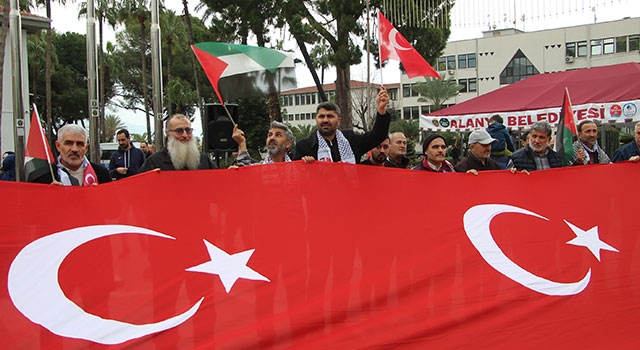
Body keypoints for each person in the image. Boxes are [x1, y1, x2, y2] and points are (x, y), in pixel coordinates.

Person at [293, 87, 391, 163]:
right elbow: (297, 176)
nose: (325, 120)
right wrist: (306, 165)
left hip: (349, 189)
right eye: (321, 116)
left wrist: (381, 110)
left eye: (330, 116)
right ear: (316, 119)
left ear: (339, 120)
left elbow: (378, 136)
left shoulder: (351, 140)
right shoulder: (304, 146)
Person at [30, 124, 111, 185]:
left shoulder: (101, 174)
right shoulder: (42, 177)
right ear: (58, 146)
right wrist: (49, 195)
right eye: (68, 143)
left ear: (86, 148)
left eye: (80, 144)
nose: (74, 149)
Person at [139, 113, 217, 171]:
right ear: (168, 134)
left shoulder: (204, 160)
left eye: (188, 130)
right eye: (179, 131)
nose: (185, 135)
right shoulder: (154, 162)